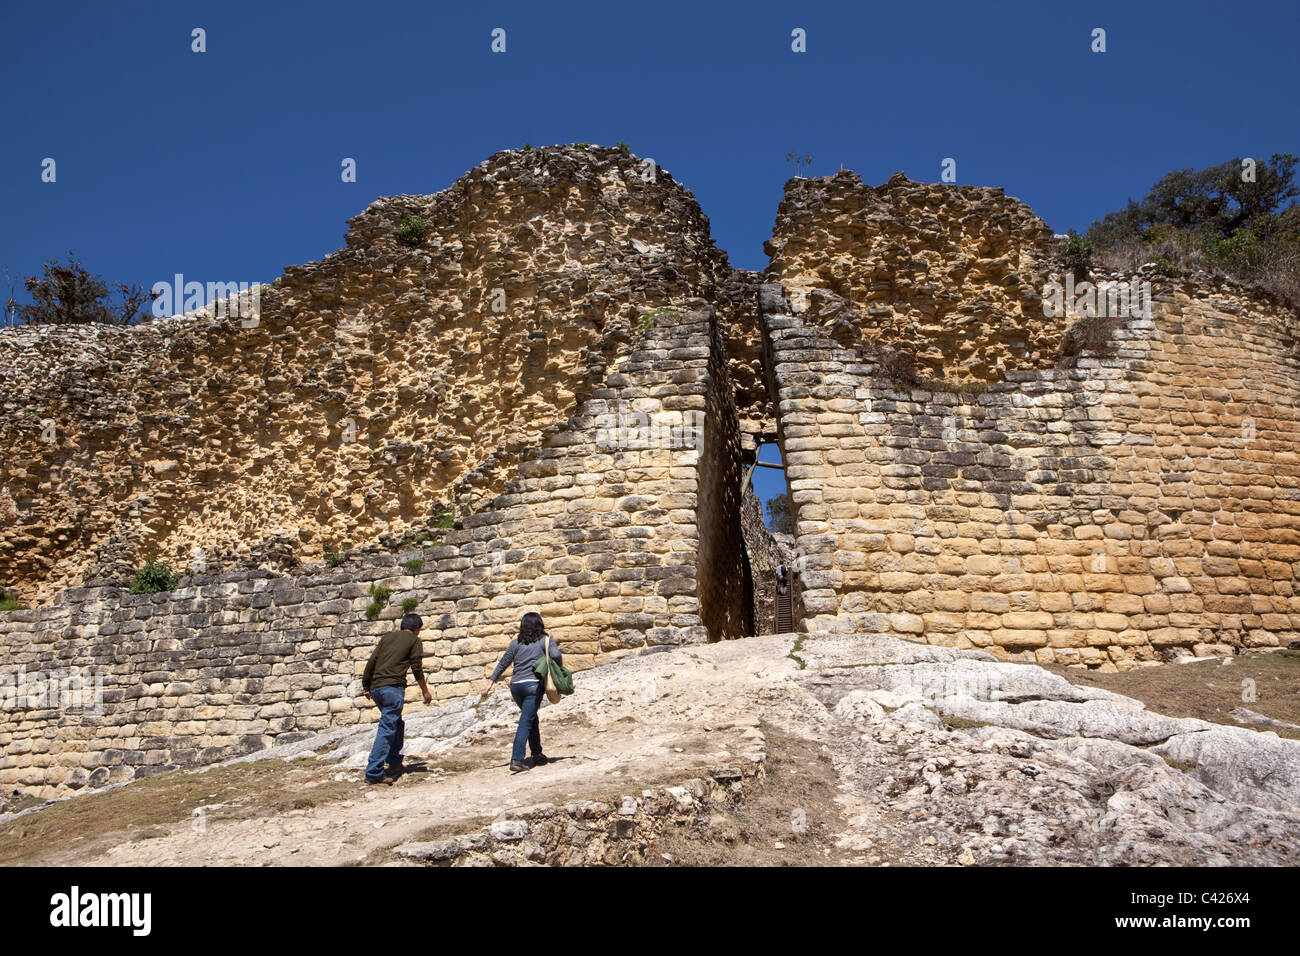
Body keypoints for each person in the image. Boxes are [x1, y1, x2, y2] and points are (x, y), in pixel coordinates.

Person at [481, 611, 562, 773]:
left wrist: (490, 682)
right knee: (526, 721)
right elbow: (555, 654)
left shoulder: (515, 643)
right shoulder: (545, 640)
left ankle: (537, 753)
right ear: (540, 624)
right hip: (533, 686)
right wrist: (558, 669)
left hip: (516, 687)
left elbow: (504, 662)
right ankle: (517, 759)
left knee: (531, 718)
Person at [361, 612, 432, 785]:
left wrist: (366, 685)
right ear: (416, 628)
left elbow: (372, 661)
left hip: (377, 688)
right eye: (419, 630)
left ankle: (393, 761)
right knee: (387, 728)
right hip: (393, 689)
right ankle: (373, 772)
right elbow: (416, 667)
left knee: (396, 724)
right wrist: (425, 691)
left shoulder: (387, 638)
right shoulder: (414, 641)